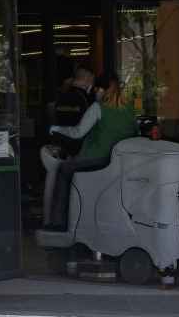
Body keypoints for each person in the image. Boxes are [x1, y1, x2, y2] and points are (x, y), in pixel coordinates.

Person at [45, 73, 137, 232]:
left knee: (64, 169)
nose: (95, 92)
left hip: (98, 159)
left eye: (96, 89)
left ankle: (58, 222)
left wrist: (56, 129)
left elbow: (78, 132)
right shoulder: (130, 108)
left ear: (102, 89)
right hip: (121, 161)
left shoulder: (98, 107)